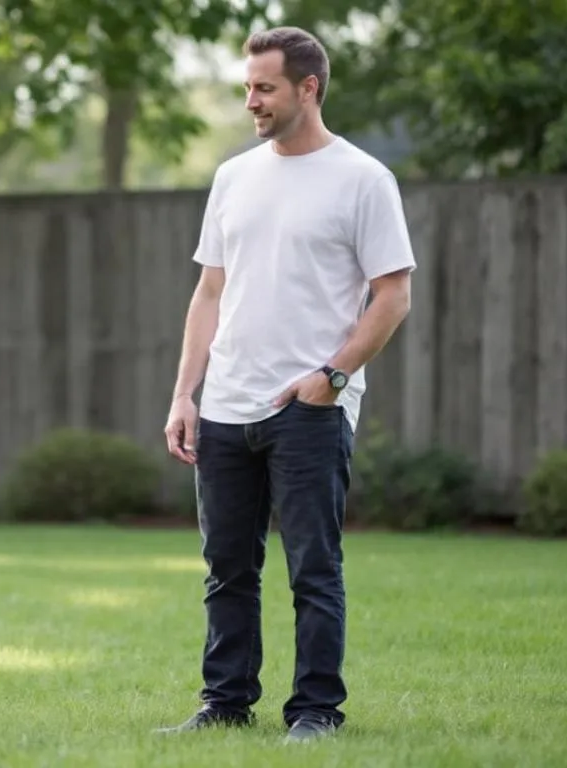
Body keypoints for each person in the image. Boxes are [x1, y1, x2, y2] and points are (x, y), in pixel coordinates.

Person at [157, 26, 416, 743]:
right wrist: (186, 394)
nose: (251, 102)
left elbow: (393, 293)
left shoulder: (363, 179)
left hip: (309, 407)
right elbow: (208, 292)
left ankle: (315, 712)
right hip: (227, 406)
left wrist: (332, 377)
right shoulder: (234, 177)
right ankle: (226, 702)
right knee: (226, 571)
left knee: (313, 569)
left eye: (264, 88)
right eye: (247, 88)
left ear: (309, 87)